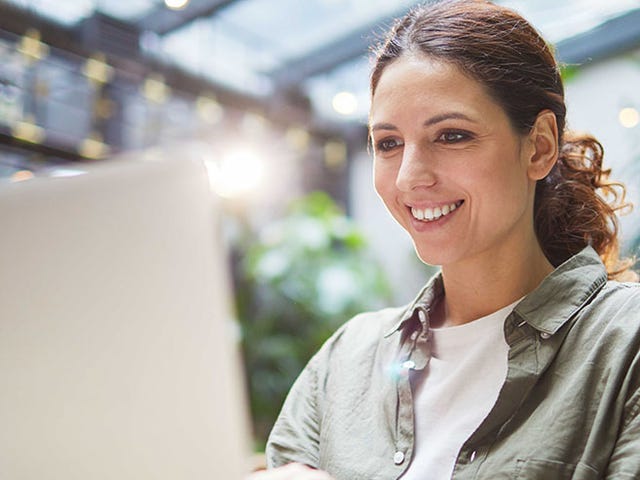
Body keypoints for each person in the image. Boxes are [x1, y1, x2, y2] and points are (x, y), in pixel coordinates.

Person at [249, 0, 640, 478]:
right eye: (389, 143)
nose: (410, 177)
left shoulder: (625, 345)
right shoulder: (345, 360)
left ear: (539, 146)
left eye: (452, 135)